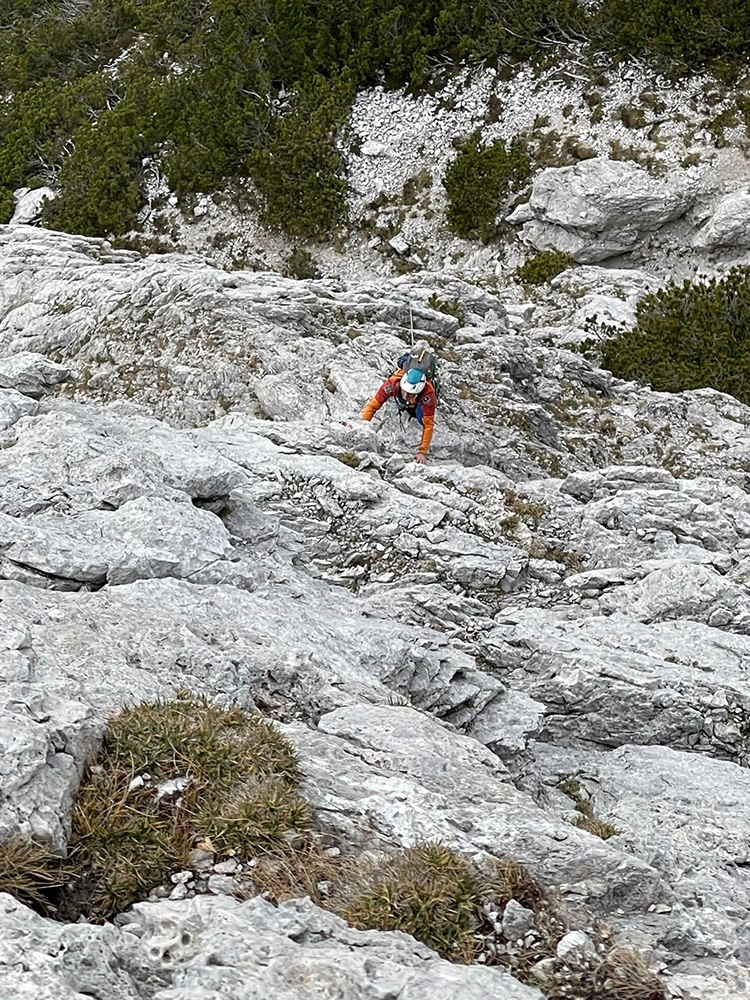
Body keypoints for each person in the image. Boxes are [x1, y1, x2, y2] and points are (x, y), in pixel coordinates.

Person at [361, 367, 436, 464]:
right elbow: (373, 406)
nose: (405, 396)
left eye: (410, 394)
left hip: (419, 401)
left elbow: (428, 424)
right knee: (403, 400)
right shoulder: (392, 384)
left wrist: (422, 452)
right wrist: (362, 426)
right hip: (402, 392)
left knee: (420, 417)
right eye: (404, 391)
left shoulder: (428, 394)